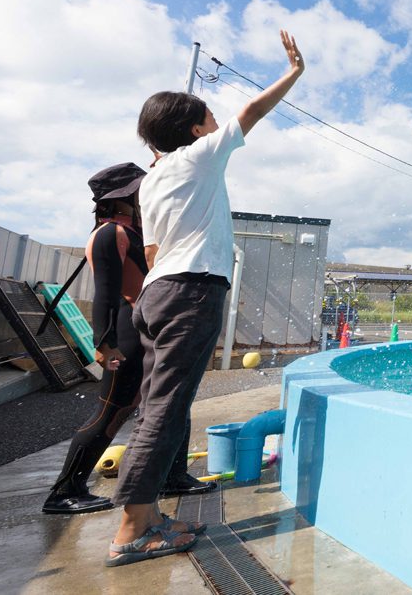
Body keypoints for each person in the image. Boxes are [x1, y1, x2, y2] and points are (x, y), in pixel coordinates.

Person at [105, 30, 305, 567]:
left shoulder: (151, 180)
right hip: (191, 290)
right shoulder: (199, 155)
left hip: (157, 291)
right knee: (166, 410)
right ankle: (130, 530)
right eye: (208, 118)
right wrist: (294, 72)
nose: (218, 124)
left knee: (156, 406)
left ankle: (148, 517)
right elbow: (253, 110)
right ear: (194, 130)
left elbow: (150, 248)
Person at [42, 163, 148, 514]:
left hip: (138, 331)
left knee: (129, 409)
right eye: (137, 188)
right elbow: (105, 293)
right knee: (109, 412)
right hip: (124, 332)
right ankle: (63, 491)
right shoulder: (110, 233)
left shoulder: (132, 231)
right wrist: (102, 343)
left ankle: (75, 485)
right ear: (123, 196)